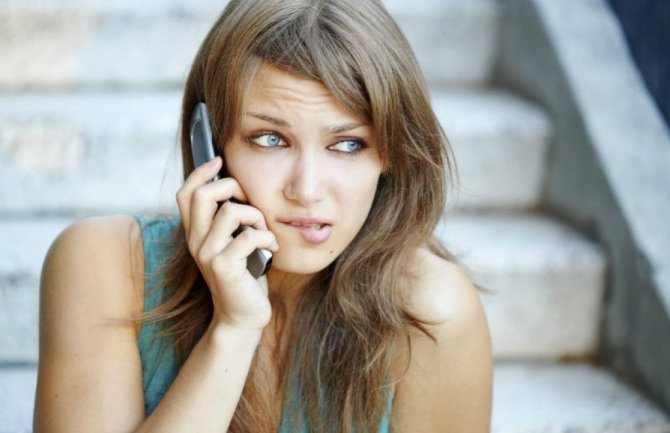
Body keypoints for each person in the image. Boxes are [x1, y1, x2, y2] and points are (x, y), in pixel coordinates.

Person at [33, 0, 492, 432]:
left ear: (391, 153)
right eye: (270, 139)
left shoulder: (430, 311)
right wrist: (233, 330)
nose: (306, 190)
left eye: (348, 144)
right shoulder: (105, 265)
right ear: (210, 145)